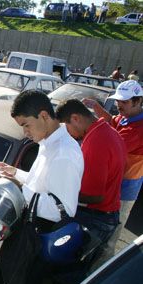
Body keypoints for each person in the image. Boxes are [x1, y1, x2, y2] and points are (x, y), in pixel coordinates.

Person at [0, 90, 84, 284]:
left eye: (26, 125)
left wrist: (19, 190)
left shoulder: (64, 153)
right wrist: (16, 173)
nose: (25, 132)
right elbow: (41, 184)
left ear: (44, 116)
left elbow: (63, 209)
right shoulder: (47, 142)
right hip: (29, 234)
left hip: (38, 239)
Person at [55, 99, 126, 262]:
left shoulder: (95, 142)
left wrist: (60, 190)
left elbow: (95, 196)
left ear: (75, 118)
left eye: (66, 128)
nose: (69, 134)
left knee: (72, 268)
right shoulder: (108, 130)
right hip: (109, 212)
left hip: (98, 217)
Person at [83, 80, 143, 261]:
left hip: (125, 189)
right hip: (113, 183)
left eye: (124, 102)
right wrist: (97, 108)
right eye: (118, 100)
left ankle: (99, 277)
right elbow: (113, 121)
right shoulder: (126, 117)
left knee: (110, 236)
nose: (119, 105)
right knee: (99, 228)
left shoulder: (139, 129)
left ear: (138, 101)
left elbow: (113, 141)